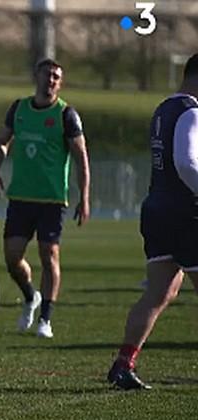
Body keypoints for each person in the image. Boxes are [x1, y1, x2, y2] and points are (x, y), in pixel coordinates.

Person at [107, 53, 198, 390]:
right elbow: (187, 163)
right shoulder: (191, 111)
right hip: (186, 213)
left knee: (159, 292)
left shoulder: (163, 109)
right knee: (161, 292)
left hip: (157, 208)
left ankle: (123, 363)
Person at [0, 58, 91, 338]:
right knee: (12, 259)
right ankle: (30, 295)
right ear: (37, 76)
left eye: (57, 77)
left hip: (52, 200)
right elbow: (1, 141)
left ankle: (45, 318)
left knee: (49, 256)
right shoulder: (19, 109)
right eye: (48, 74)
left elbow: (81, 157)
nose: (52, 80)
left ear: (61, 82)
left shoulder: (66, 114)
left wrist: (84, 196)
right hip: (20, 197)